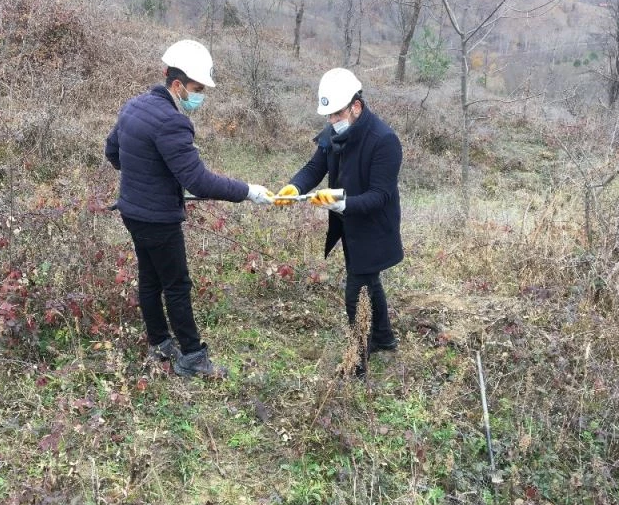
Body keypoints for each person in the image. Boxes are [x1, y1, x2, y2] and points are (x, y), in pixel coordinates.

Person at [105, 39, 273, 378]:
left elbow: (114, 154)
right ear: (177, 83)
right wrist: (248, 191)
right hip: (156, 219)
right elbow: (199, 181)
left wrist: (147, 175)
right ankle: (193, 358)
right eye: (197, 88)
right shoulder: (171, 121)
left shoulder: (134, 106)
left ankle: (159, 343)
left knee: (150, 278)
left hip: (132, 212)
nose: (200, 96)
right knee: (177, 285)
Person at [275, 68, 403, 373]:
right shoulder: (334, 133)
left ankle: (357, 360)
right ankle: (384, 339)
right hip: (349, 224)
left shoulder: (384, 141)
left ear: (355, 107)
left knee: (356, 289)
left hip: (374, 226)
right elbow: (314, 166)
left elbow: (380, 195)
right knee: (369, 280)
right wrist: (295, 187)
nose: (332, 121)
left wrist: (341, 203)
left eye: (336, 114)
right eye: (328, 116)